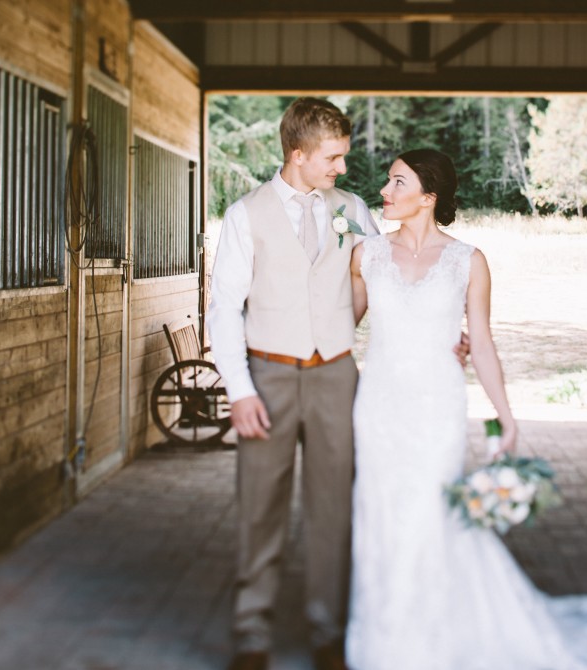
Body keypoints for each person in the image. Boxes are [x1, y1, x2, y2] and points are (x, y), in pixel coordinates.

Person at [345, 148, 587, 670]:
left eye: (398, 183)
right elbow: (341, 326)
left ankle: (437, 636)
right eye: (388, 182)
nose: (384, 191)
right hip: (379, 405)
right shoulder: (366, 256)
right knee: (379, 513)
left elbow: (486, 343)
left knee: (433, 513)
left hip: (437, 407)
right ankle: (385, 639)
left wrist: (505, 413)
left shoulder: (467, 261)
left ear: (428, 197)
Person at [206, 97, 379, 670]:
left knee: (333, 507)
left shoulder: (351, 208)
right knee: (260, 506)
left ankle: (328, 631)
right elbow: (223, 308)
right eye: (333, 158)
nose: (342, 169)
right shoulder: (244, 214)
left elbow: (383, 279)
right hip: (269, 376)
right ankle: (252, 634)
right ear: (298, 155)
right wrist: (240, 390)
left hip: (335, 374)